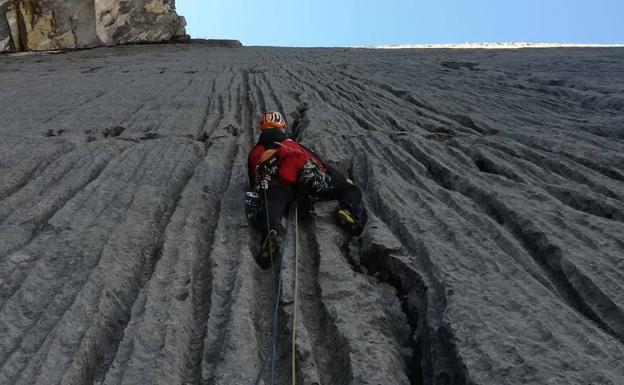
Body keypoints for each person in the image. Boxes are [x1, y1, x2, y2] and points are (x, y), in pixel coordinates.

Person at [247, 111, 367, 269]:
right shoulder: (291, 145)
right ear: (282, 127)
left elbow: (254, 180)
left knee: (272, 206)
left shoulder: (256, 151)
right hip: (305, 182)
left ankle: (272, 230)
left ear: (262, 128)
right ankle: (346, 210)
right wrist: (340, 180)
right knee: (351, 189)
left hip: (276, 184)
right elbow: (319, 163)